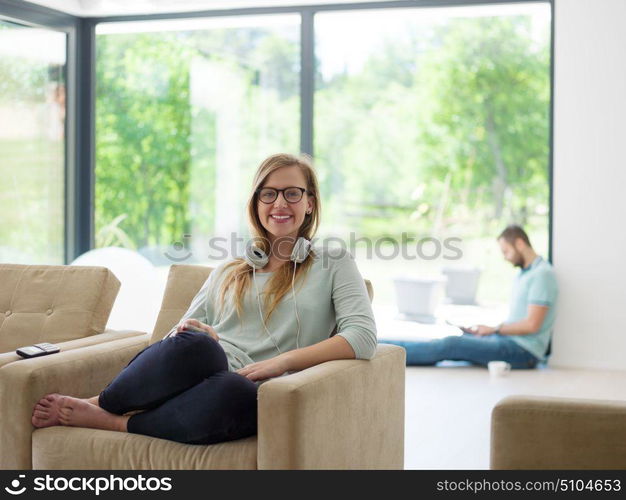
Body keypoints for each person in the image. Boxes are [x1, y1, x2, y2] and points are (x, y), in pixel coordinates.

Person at [31, 153, 377, 445]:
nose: (280, 204)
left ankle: (115, 422)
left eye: (291, 193)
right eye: (268, 194)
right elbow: (174, 339)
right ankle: (100, 403)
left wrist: (281, 362)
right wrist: (201, 333)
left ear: (310, 202)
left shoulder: (332, 261)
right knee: (196, 344)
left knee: (233, 389)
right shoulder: (229, 269)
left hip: (251, 389)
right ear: (256, 204)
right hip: (203, 369)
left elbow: (361, 337)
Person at [380, 225, 558, 369]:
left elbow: (532, 324)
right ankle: (382, 346)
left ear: (519, 244)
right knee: (453, 340)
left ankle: (384, 354)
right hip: (508, 341)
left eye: (506, 251)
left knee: (451, 345)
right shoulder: (525, 274)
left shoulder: (542, 274)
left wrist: (495, 330)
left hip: (523, 351)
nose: (505, 258)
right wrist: (489, 330)